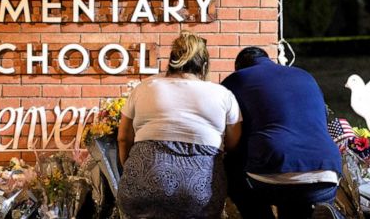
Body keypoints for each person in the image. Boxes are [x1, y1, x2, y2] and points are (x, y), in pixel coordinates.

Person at [117, 33, 242, 219]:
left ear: (171, 61)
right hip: (200, 192)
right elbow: (233, 143)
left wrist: (130, 169)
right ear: (204, 65)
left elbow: (122, 138)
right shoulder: (223, 95)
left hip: (141, 186)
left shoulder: (145, 87)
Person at [221, 47, 343, 219]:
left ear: (240, 67)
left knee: (229, 166)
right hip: (327, 172)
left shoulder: (236, 80)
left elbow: (229, 133)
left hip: (274, 173)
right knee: (296, 203)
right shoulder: (304, 75)